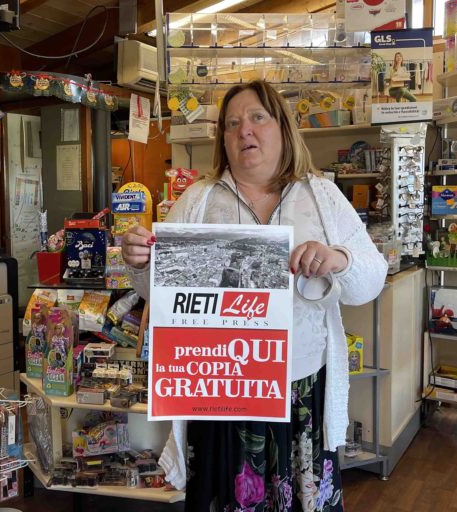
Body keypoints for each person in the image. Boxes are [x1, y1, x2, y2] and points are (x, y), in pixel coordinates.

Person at [121, 80, 387, 511]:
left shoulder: (320, 196)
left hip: (299, 392)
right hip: (220, 389)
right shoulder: (199, 199)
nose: (244, 130)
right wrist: (139, 263)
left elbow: (370, 280)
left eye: (257, 117)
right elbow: (161, 295)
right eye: (232, 123)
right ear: (223, 140)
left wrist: (338, 258)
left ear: (282, 127)